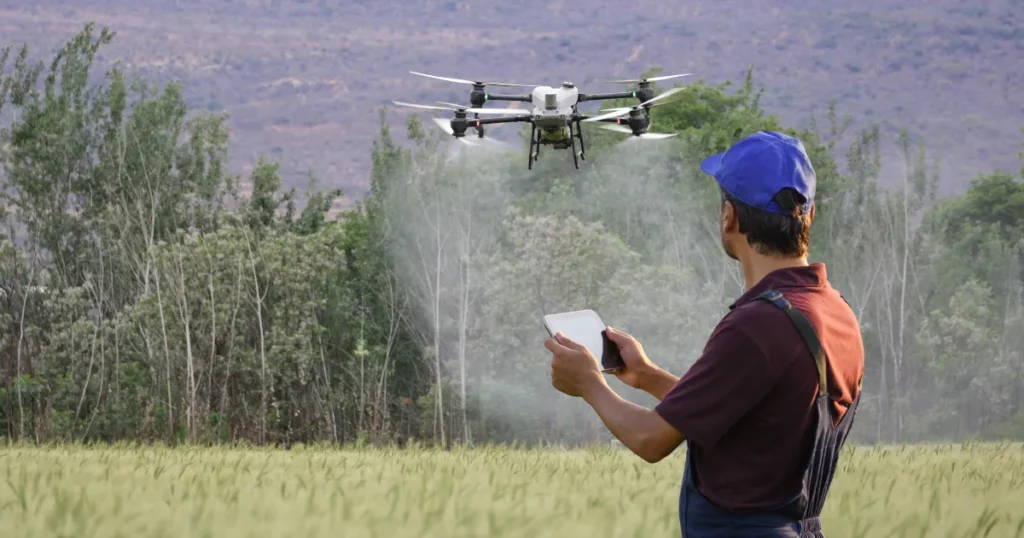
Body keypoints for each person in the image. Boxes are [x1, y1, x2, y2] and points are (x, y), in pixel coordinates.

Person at [544, 130, 865, 537]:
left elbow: (651, 440)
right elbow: (753, 417)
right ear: (810, 214)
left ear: (728, 216)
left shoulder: (759, 325)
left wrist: (588, 383)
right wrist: (646, 376)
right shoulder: (836, 311)